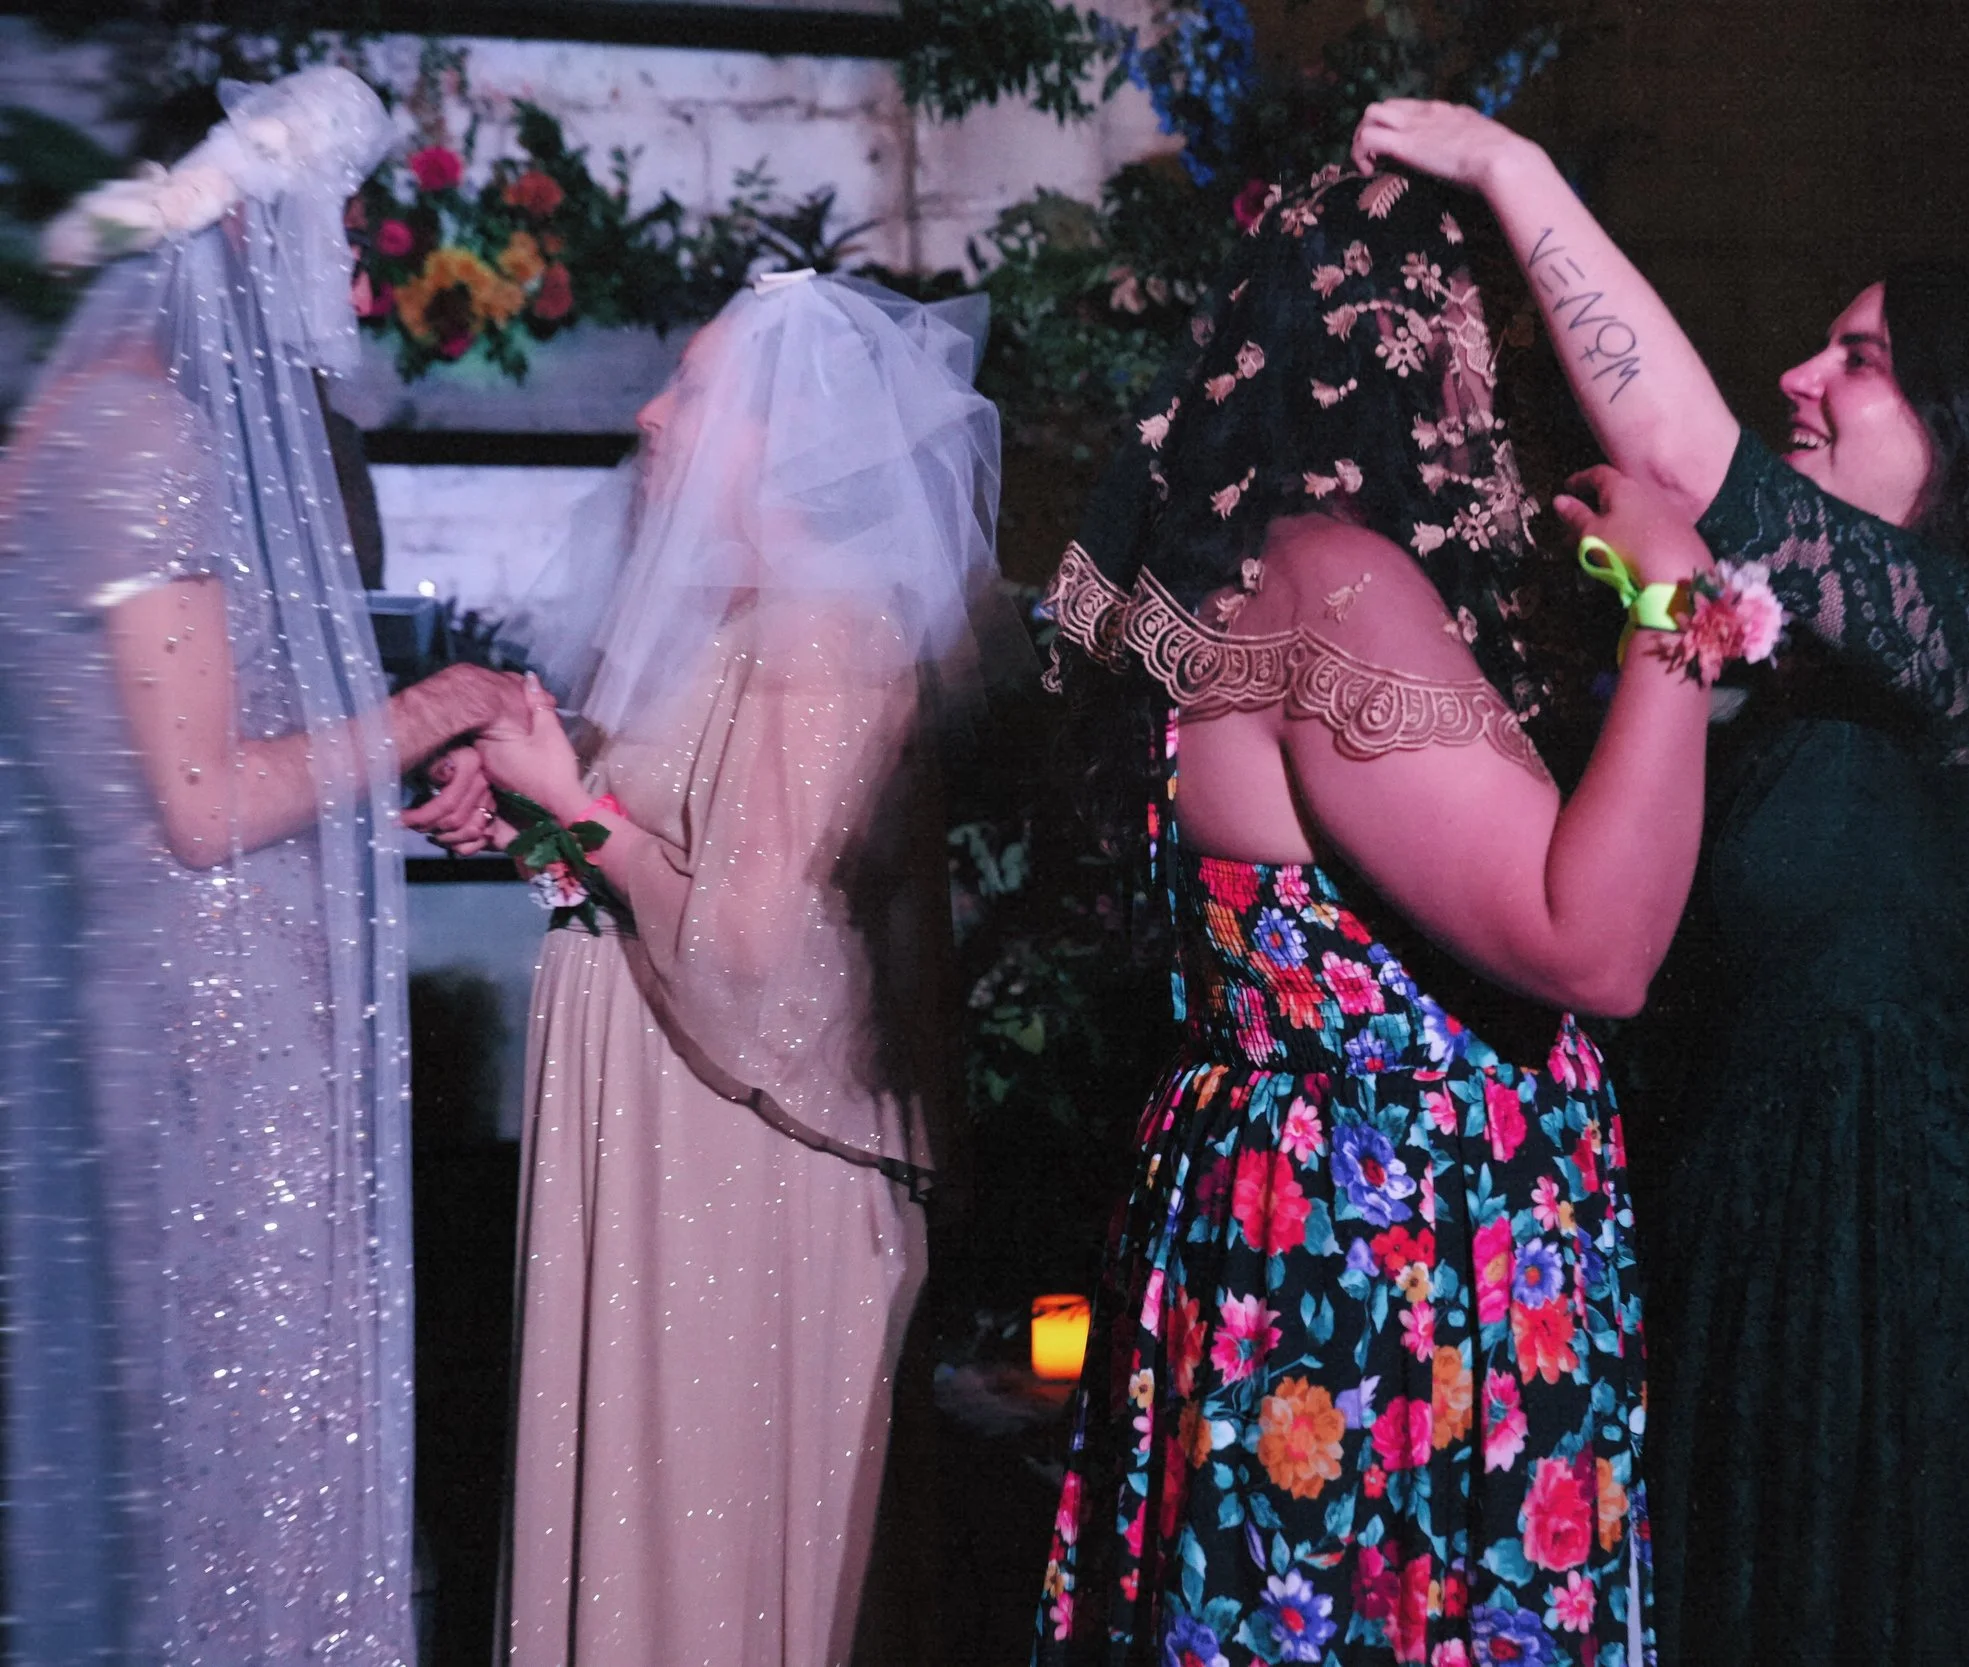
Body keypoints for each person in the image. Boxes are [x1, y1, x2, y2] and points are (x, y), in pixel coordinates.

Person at [1361, 100, 1969, 1661]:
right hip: (1713, 1234)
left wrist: (1511, 168)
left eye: (1862, 358)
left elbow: (1692, 462)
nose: (1801, 375)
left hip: (1865, 1277)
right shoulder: (1793, 671)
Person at [1032, 162, 1729, 1667]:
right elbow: (1594, 946)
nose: (1508, 391)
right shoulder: (1335, 587)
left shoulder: (1246, 575)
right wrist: (1676, 614)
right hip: (1393, 1252)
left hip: (1305, 1214)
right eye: (1493, 341)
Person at [0, 68, 529, 1662]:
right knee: (250, 1466)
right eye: (333, 233)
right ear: (240, 222)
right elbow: (200, 801)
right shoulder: (145, 429)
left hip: (194, 1002)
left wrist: (393, 767)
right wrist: (437, 703)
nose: (350, 280)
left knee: (225, 1457)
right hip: (215, 1030)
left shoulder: (83, 417)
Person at [425, 270, 1006, 1667]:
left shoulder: (830, 634)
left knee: (709, 1549)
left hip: (739, 1164)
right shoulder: (720, 618)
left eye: (692, 389)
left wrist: (573, 803)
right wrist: (528, 810)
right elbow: (647, 848)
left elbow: (750, 949)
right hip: (654, 1134)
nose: (651, 411)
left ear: (783, 433)